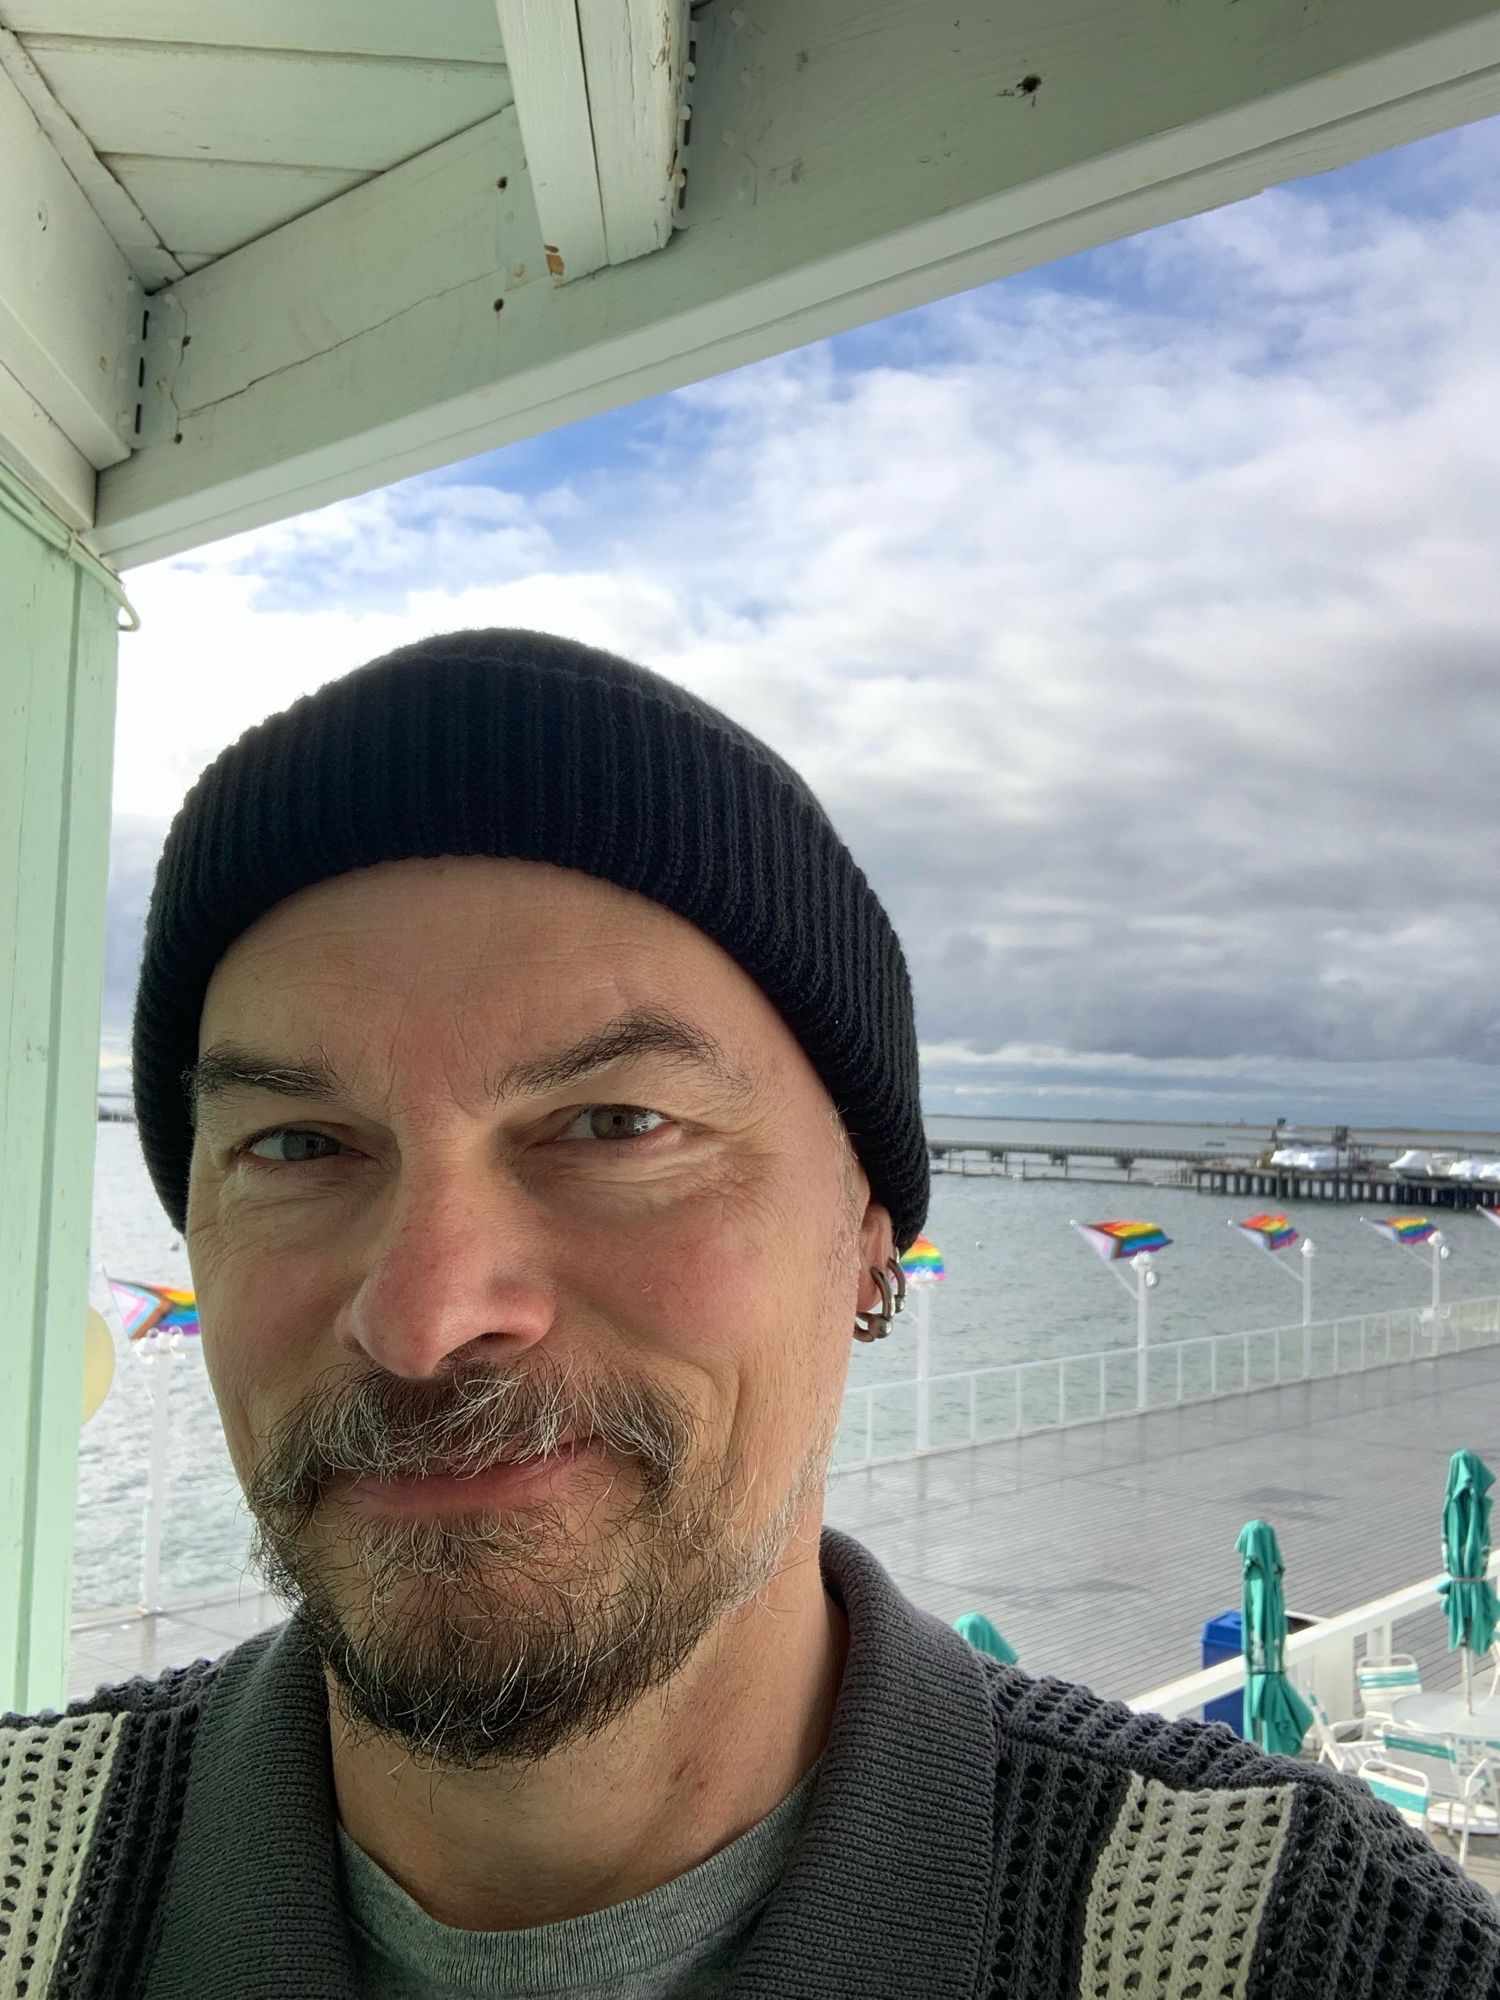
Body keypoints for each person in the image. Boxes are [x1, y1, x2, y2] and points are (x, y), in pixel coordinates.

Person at [4, 629, 1497, 1999]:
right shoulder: (29, 1880)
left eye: (616, 1124)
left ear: (869, 1246)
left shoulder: (1287, 1945)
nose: (428, 1315)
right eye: (295, 1145)